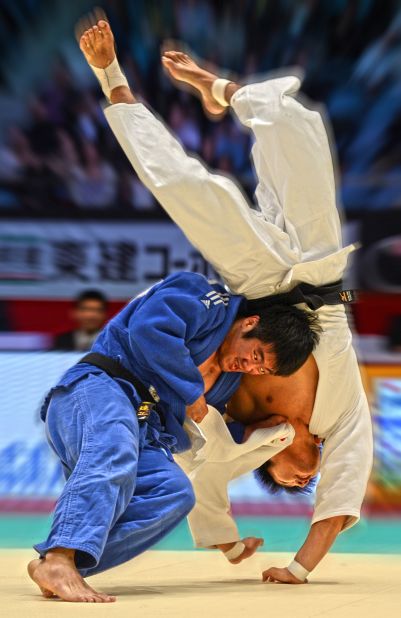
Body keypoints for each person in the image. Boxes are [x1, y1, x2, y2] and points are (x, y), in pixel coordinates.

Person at [76, 18, 373, 584]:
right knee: (299, 132)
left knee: (191, 192)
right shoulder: (343, 419)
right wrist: (303, 569)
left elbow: (203, 476)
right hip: (323, 272)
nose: (303, 481)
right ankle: (224, 90)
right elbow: (337, 505)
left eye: (290, 484)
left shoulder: (244, 432)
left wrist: (234, 546)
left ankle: (112, 78)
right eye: (305, 482)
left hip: (258, 284)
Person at [28, 269, 319, 603]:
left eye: (261, 370)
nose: (250, 368)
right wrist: (191, 390)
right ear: (250, 323)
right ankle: (60, 556)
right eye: (257, 356)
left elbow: (205, 435)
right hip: (102, 388)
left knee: (175, 493)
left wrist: (244, 432)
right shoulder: (206, 300)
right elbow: (148, 329)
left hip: (146, 426)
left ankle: (65, 564)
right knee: (116, 448)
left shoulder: (227, 383)